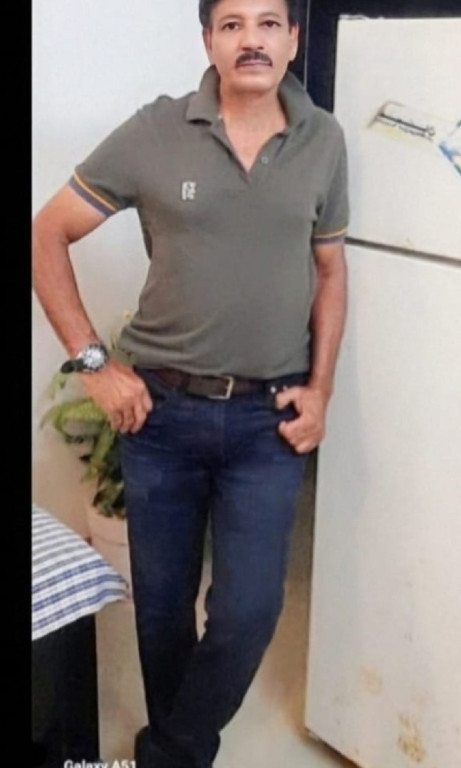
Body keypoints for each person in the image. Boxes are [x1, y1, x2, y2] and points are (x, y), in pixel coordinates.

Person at [32, 0, 349, 765]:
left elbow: (330, 268)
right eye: (232, 24)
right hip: (160, 415)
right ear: (208, 39)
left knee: (247, 611)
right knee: (161, 610)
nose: (251, 40)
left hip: (267, 421)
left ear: (293, 37)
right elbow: (46, 232)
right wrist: (94, 366)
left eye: (268, 23)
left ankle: (167, 751)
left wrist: (321, 388)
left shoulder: (323, 140)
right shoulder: (155, 130)